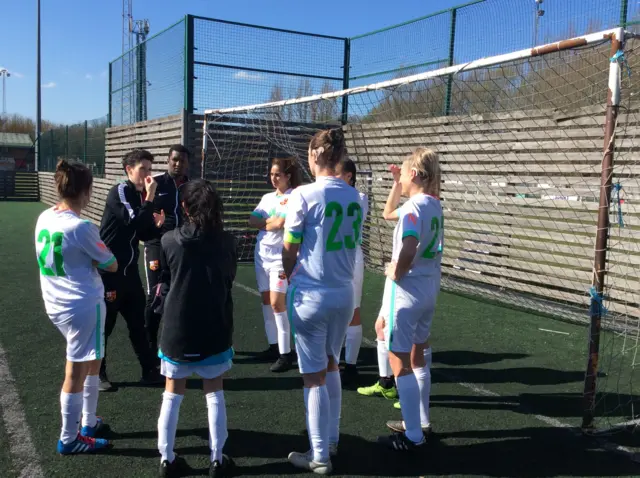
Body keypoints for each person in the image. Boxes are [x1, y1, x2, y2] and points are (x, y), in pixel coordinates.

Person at [282, 129, 362, 475]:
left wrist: (288, 274)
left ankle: (319, 456)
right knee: (332, 364)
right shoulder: (356, 196)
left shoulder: (304, 195)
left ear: (315, 155)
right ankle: (330, 440)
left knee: (313, 376)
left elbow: (290, 246)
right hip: (344, 293)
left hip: (311, 294)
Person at [153, 179, 237, 478]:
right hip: (215, 326)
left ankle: (167, 458)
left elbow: (167, 276)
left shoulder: (168, 240)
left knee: (172, 394)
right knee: (214, 392)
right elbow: (228, 280)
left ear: (185, 207)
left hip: (177, 328)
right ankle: (217, 459)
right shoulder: (228, 242)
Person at [35, 159, 116, 454]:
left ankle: (89, 421)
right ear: (87, 190)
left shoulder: (45, 217)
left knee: (92, 360)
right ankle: (69, 439)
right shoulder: (82, 227)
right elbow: (111, 263)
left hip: (56, 302)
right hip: (81, 305)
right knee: (76, 371)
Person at [375, 147, 443, 451]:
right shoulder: (433, 204)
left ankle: (413, 436)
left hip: (406, 292)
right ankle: (421, 421)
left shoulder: (414, 208)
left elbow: (410, 243)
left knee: (397, 359)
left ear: (414, 174)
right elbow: (388, 213)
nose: (400, 178)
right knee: (418, 355)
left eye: (403, 173)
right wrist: (397, 185)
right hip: (428, 290)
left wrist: (397, 271)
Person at [98, 149, 165, 391]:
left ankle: (149, 370)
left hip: (129, 273)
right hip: (108, 274)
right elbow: (133, 221)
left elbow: (143, 233)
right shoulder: (120, 192)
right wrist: (149, 199)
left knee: (139, 324)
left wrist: (156, 227)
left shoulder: (140, 196)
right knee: (104, 326)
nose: (148, 175)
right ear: (129, 170)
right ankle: (98, 374)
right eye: (143, 169)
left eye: (150, 169)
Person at [248, 156, 302, 372]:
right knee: (266, 301)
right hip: (261, 255)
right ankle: (274, 346)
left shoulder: (294, 197)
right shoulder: (267, 197)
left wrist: (268, 223)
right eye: (271, 174)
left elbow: (280, 223)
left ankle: (286, 353)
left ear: (288, 176)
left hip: (280, 257)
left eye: (277, 174)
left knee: (277, 303)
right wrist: (268, 223)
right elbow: (252, 220)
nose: (273, 178)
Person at [142, 145, 191, 366]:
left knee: (179, 296)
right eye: (174, 160)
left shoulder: (191, 186)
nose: (178, 164)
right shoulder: (155, 184)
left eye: (182, 160)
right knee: (156, 296)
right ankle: (149, 348)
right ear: (168, 160)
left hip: (181, 248)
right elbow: (144, 211)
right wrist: (156, 222)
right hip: (157, 245)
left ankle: (178, 344)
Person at [334, 157, 368, 385]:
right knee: (339, 312)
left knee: (351, 312)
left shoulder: (358, 197)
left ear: (349, 176)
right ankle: (338, 363)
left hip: (347, 257)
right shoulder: (358, 197)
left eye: (337, 175)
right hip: (344, 257)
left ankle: (350, 364)